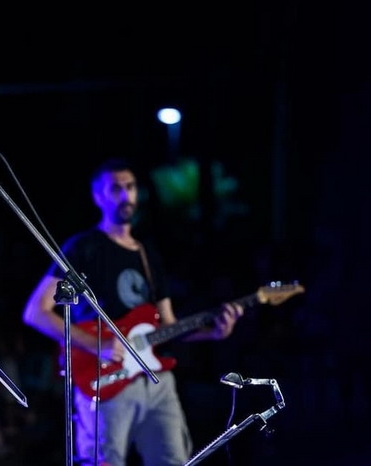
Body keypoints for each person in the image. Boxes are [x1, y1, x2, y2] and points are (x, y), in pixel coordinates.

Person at [22, 157, 244, 466]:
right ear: (97, 196)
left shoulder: (147, 254)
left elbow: (168, 326)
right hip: (104, 377)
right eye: (115, 188)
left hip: (156, 381)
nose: (126, 195)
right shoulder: (83, 247)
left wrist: (213, 333)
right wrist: (94, 344)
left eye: (130, 187)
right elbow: (36, 312)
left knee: (174, 460)